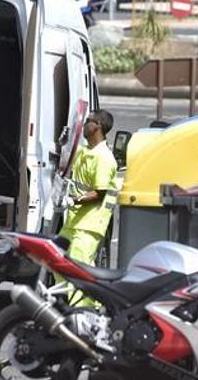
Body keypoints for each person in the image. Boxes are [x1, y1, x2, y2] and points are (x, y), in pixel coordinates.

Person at [61, 110, 119, 306]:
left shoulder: (103, 158)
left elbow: (98, 193)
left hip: (90, 224)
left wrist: (74, 200)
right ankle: (93, 304)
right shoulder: (85, 152)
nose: (84, 124)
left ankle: (82, 313)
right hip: (74, 221)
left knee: (78, 268)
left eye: (88, 121)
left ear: (98, 126)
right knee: (58, 262)